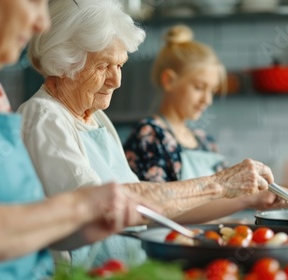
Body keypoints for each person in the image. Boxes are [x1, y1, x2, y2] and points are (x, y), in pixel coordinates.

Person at [18, 0, 274, 268]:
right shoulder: (44, 117)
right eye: (104, 66)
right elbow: (103, 212)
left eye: (120, 66)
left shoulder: (97, 120)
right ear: (64, 61)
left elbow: (143, 209)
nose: (116, 80)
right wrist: (218, 184)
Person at [0, 1, 162, 279]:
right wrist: (82, 206)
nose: (41, 24)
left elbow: (30, 223)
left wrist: (82, 219)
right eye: (34, 2)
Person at [124, 25, 288, 223]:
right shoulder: (149, 136)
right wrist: (246, 200)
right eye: (199, 87)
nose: (207, 100)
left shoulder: (203, 140)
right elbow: (155, 211)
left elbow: (234, 192)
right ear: (169, 80)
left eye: (212, 91)